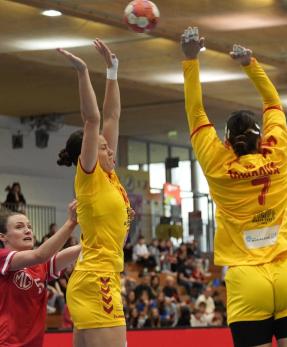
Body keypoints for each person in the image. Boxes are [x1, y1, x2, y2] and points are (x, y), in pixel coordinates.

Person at [180, 27, 287, 347]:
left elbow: (195, 112)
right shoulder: (278, 152)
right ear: (261, 137)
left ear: (226, 141)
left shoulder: (216, 163)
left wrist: (190, 60)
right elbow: (273, 101)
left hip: (245, 277)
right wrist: (249, 63)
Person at [56, 39, 131, 347]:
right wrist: (83, 72)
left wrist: (112, 72)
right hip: (97, 278)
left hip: (98, 277)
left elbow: (111, 117)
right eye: (102, 147)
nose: (109, 148)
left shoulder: (109, 174)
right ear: (85, 156)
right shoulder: (89, 178)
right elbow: (94, 119)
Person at [0, 201, 80, 346]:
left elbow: (79, 250)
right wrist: (71, 223)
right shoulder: (3, 258)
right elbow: (41, 254)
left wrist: (115, 229)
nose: (27, 230)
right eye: (19, 227)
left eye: (29, 226)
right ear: (3, 237)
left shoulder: (40, 266)